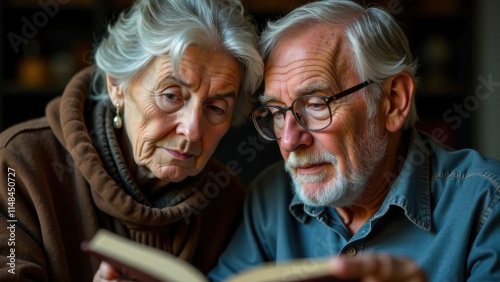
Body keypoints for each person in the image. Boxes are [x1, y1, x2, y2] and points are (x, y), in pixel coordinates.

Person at [208, 0, 500, 281]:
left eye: (315, 104)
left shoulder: (486, 204)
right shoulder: (270, 199)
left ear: (394, 102)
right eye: (275, 111)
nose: (288, 140)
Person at [0, 0, 263, 281]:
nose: (193, 131)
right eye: (171, 96)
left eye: (215, 108)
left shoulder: (228, 202)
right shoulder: (19, 168)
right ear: (117, 85)